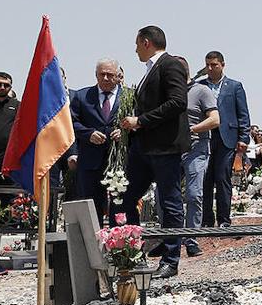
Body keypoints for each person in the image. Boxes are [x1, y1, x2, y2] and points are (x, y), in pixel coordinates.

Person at [119, 25, 189, 279]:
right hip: (144, 148)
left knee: (169, 203)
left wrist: (141, 120)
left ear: (146, 42)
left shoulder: (171, 65)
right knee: (126, 199)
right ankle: (133, 252)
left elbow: (178, 102)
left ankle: (171, 260)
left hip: (165, 147)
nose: (135, 49)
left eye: (137, 43)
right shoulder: (150, 71)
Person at [199, 51, 250, 229]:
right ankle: (206, 219)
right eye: (208, 65)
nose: (211, 68)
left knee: (222, 179)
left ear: (222, 64)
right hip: (204, 138)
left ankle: (224, 220)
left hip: (227, 140)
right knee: (205, 180)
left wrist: (244, 138)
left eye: (214, 65)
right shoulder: (200, 86)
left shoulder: (235, 86)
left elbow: (243, 114)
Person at [70, 59, 123, 225]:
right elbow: (71, 123)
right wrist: (88, 134)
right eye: (102, 74)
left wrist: (125, 132)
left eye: (110, 75)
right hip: (90, 161)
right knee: (91, 207)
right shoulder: (82, 96)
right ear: (96, 75)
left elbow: (138, 121)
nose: (106, 78)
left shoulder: (130, 96)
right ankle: (93, 247)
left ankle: (119, 247)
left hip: (118, 164)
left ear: (118, 76)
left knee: (119, 205)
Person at [181, 66, 219, 258]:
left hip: (196, 148)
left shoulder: (201, 91)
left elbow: (214, 120)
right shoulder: (167, 91)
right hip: (171, 150)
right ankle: (170, 238)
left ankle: (191, 239)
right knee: (163, 196)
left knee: (194, 194)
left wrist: (192, 129)